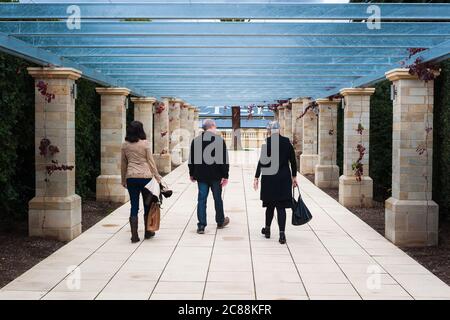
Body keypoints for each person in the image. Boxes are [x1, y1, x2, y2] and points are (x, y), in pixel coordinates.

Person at [254, 121, 297, 244]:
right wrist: (294, 177)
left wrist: (256, 177)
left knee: (270, 205)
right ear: (279, 130)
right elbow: (293, 161)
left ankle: (267, 230)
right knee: (281, 207)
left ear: (270, 131)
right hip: (283, 178)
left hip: (269, 178)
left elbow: (261, 161)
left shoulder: (267, 143)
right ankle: (282, 234)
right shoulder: (287, 143)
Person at [121, 121, 162, 243]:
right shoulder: (145, 144)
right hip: (146, 177)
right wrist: (158, 177)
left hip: (131, 177)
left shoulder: (125, 145)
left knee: (134, 205)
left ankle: (134, 235)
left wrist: (123, 179)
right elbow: (151, 162)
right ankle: (148, 231)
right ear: (140, 130)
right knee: (147, 205)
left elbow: (123, 164)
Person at [188, 119, 230, 234]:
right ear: (212, 126)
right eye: (215, 126)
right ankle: (220, 221)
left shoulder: (196, 141)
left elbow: (191, 159)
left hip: (201, 176)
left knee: (201, 200)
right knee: (217, 198)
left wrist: (191, 173)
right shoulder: (219, 140)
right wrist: (225, 175)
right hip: (216, 176)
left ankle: (201, 225)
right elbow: (224, 160)